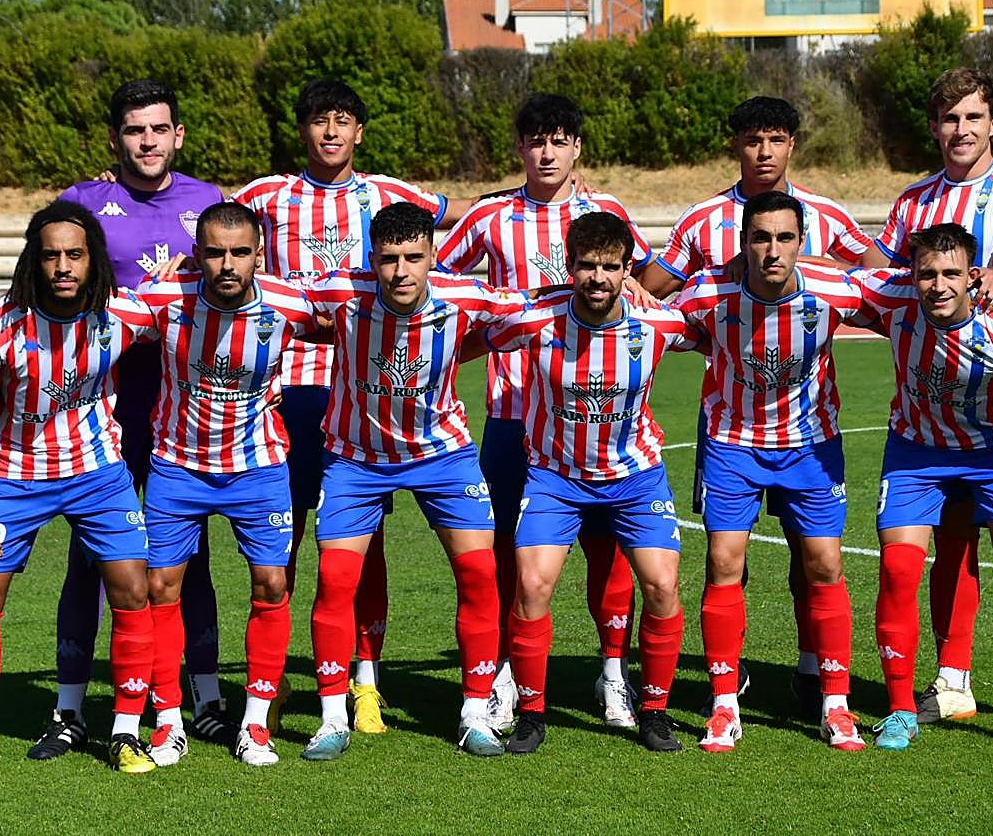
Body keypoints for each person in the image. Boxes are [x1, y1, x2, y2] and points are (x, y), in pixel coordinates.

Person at [232, 79, 477, 734]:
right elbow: (215, 230)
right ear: (303, 131)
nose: (330, 132)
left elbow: (457, 212)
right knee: (279, 540)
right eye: (318, 121)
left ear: (359, 132)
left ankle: (366, 681)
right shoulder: (264, 196)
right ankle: (274, 678)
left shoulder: (390, 196)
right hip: (281, 391)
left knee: (362, 547)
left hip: (365, 396)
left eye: (342, 121)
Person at [639, 97, 872, 719]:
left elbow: (882, 276)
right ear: (735, 146)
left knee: (812, 555)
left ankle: (810, 667)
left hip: (807, 426)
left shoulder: (825, 216)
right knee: (726, 558)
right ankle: (728, 677)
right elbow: (650, 290)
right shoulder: (703, 220)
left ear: (792, 143)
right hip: (732, 425)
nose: (763, 152)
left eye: (774, 139)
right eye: (751, 139)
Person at [33, 79, 231, 760]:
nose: (147, 141)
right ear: (115, 139)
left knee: (188, 557)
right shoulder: (82, 204)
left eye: (159, 129)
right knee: (90, 560)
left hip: (186, 412)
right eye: (134, 130)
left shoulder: (211, 204)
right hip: (101, 414)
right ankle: (69, 709)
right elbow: (40, 289)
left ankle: (204, 697)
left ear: (178, 134)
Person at [436, 93, 646, 732]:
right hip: (513, 415)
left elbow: (638, 286)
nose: (547, 152)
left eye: (559, 139)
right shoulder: (493, 217)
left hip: (597, 421)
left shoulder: (606, 212)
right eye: (536, 141)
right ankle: (502, 675)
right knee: (506, 553)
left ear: (578, 147)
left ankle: (613, 675)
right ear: (520, 149)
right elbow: (437, 284)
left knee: (607, 554)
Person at [861, 68, 993, 732]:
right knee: (946, 544)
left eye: (973, 118)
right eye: (949, 119)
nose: (961, 130)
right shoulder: (913, 201)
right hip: (930, 406)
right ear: (935, 127)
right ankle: (952, 679)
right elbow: (883, 271)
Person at [298, 202, 530, 760]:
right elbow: (264, 290)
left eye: (413, 258)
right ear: (370, 260)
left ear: (432, 256)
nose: (401, 271)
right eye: (388, 260)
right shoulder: (338, 290)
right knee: (334, 580)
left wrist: (635, 295)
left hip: (442, 456)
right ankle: (332, 717)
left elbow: (544, 308)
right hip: (355, 459)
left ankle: (475, 712)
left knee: (479, 575)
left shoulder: (466, 296)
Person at [0, 200, 158, 782]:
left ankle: (124, 733)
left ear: (93, 259)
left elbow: (198, 308)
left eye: (75, 254)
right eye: (51, 256)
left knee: (132, 592)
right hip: (13, 479)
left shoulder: (126, 314)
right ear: (33, 262)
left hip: (99, 476)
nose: (63, 266)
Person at [484, 212, 697, 754]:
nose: (597, 278)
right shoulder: (536, 321)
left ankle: (653, 709)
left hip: (636, 478)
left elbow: (719, 323)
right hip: (556, 477)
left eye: (610, 267)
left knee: (663, 587)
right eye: (586, 266)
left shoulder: (658, 325)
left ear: (629, 269)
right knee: (531, 586)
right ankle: (531, 713)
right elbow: (476, 322)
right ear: (569, 267)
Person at [674, 191, 868, 753]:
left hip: (810, 444)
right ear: (743, 244)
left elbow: (906, 297)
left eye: (785, 238)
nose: (772, 250)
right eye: (760, 238)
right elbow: (650, 311)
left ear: (802, 243)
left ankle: (836, 704)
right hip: (732, 443)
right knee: (723, 561)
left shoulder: (834, 289)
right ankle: (723, 705)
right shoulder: (709, 292)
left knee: (824, 563)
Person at [137, 202, 319, 767]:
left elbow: (365, 316)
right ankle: (169, 722)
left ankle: (256, 723)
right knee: (162, 587)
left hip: (260, 467)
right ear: (197, 255)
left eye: (240, 252)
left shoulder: (291, 303)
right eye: (214, 252)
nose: (227, 264)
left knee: (271, 584)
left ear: (258, 255)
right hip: (176, 465)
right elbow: (79, 314)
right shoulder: (162, 300)